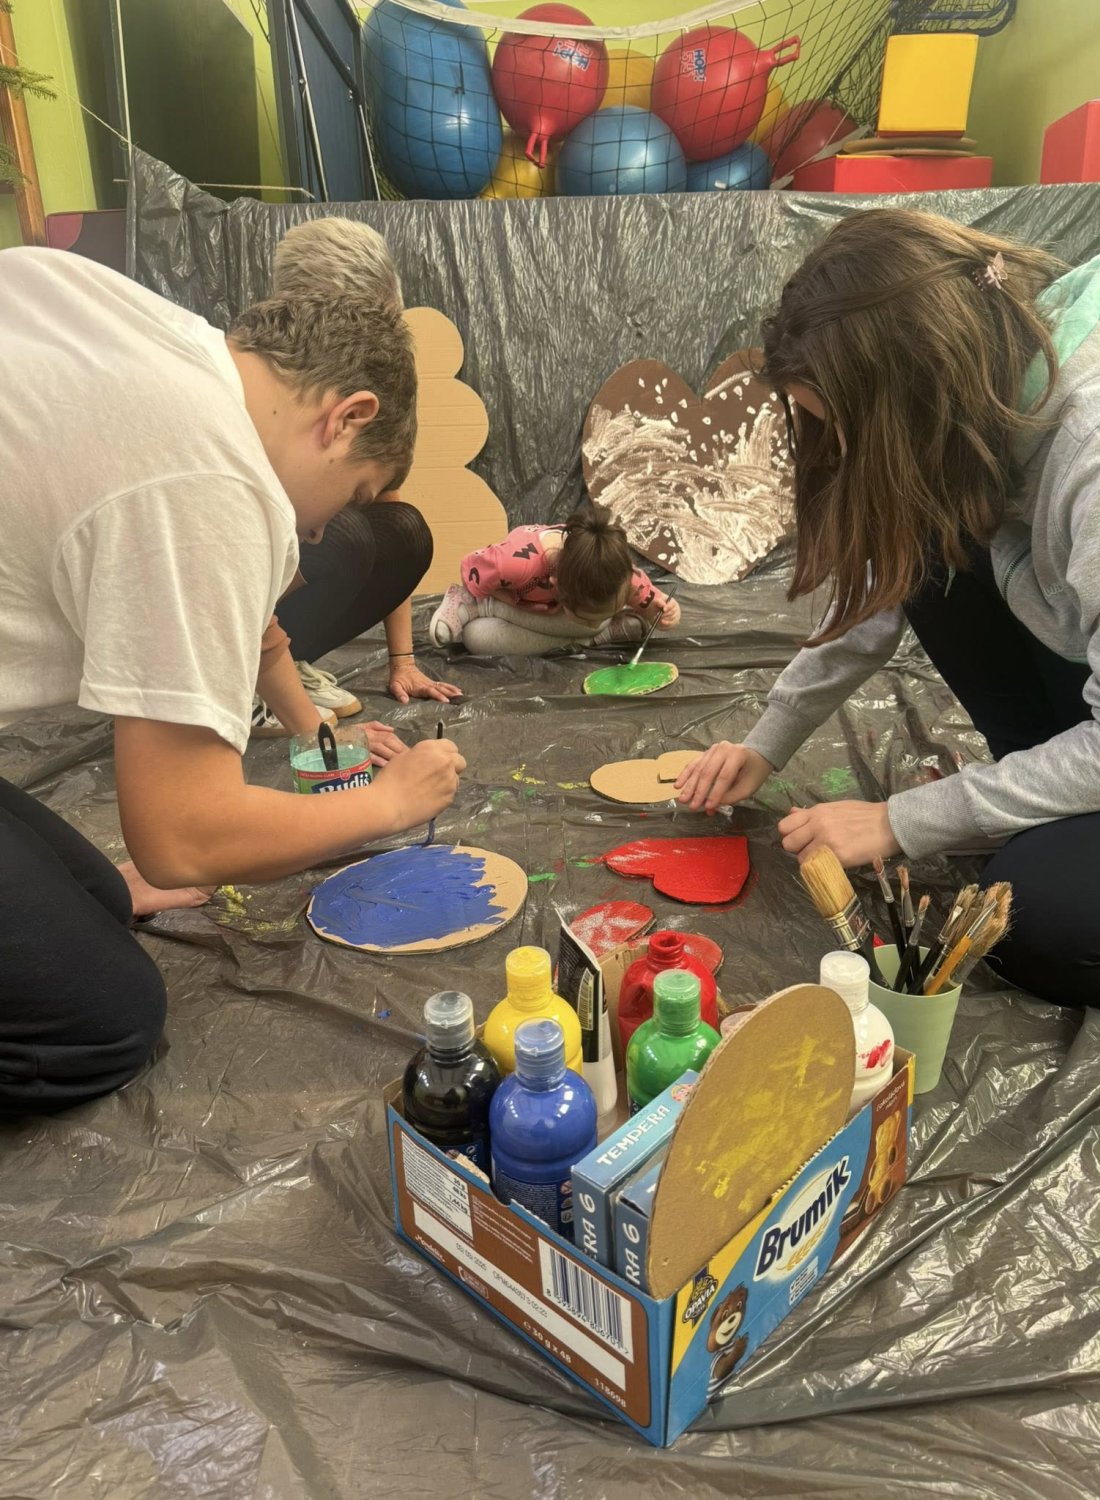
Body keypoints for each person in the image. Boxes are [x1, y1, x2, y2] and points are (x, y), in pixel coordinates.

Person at [0, 246, 464, 1115]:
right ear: (346, 418)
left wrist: (317, 733)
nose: (319, 534)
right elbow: (181, 840)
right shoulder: (210, 475)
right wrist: (387, 805)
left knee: (100, 898)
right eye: (352, 494)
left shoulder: (181, 354)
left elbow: (253, 630)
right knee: (100, 1022)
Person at [677, 208, 1100, 1009]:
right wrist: (765, 744)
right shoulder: (988, 396)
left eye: (846, 430)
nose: (842, 454)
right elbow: (883, 583)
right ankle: (1052, 812)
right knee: (925, 536)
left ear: (921, 393)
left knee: (1042, 920)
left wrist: (902, 820)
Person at [251, 217, 460, 739]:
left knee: (398, 529)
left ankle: (286, 668)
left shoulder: (365, 381)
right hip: (227, 607)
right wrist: (312, 731)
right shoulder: (257, 394)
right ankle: (242, 683)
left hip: (264, 613)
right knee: (340, 534)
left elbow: (387, 500)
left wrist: (402, 660)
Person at [427, 505, 681, 656]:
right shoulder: (512, 564)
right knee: (475, 638)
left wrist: (669, 613)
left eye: (602, 615)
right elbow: (470, 570)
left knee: (477, 637)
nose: (594, 622)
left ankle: (593, 636)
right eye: (586, 617)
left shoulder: (619, 575)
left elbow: (657, 609)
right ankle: (475, 606)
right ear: (555, 584)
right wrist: (494, 600)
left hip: (551, 614)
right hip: (509, 600)